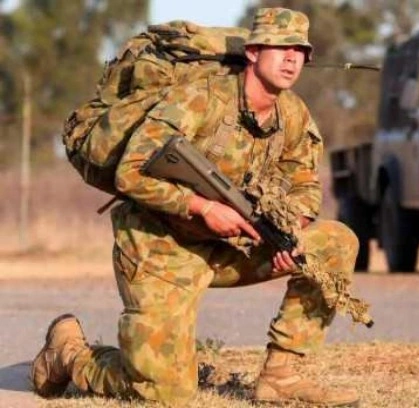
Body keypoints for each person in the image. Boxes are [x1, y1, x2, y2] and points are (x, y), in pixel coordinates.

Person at [30, 7, 361, 407]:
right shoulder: (200, 100)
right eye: (280, 47)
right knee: (165, 393)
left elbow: (305, 181)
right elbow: (131, 173)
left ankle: (281, 377)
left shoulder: (292, 114)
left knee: (335, 242)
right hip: (162, 245)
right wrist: (201, 207)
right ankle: (70, 353)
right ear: (254, 52)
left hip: (235, 243)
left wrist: (293, 234)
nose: (292, 58)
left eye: (300, 51)